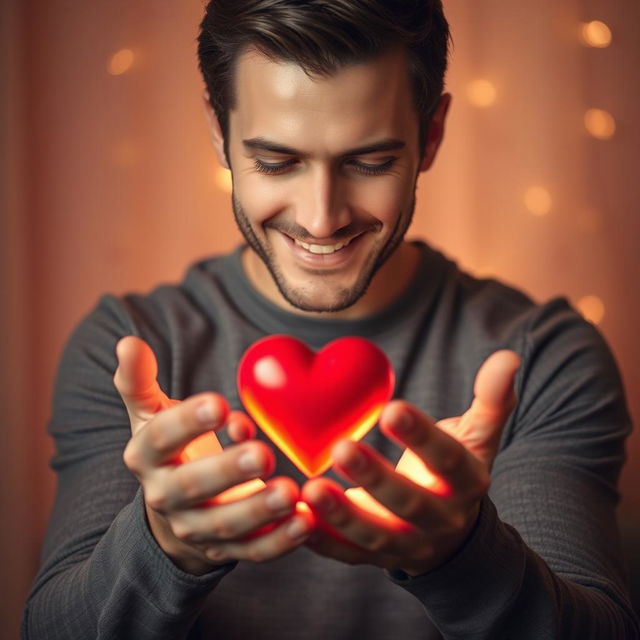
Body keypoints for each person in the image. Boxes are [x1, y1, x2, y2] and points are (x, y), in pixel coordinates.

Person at [22, 1, 639, 638]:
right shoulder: (128, 347)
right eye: (276, 161)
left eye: (370, 162)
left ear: (431, 135)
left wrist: (462, 558)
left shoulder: (544, 354)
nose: (322, 219)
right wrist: (164, 545)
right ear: (218, 132)